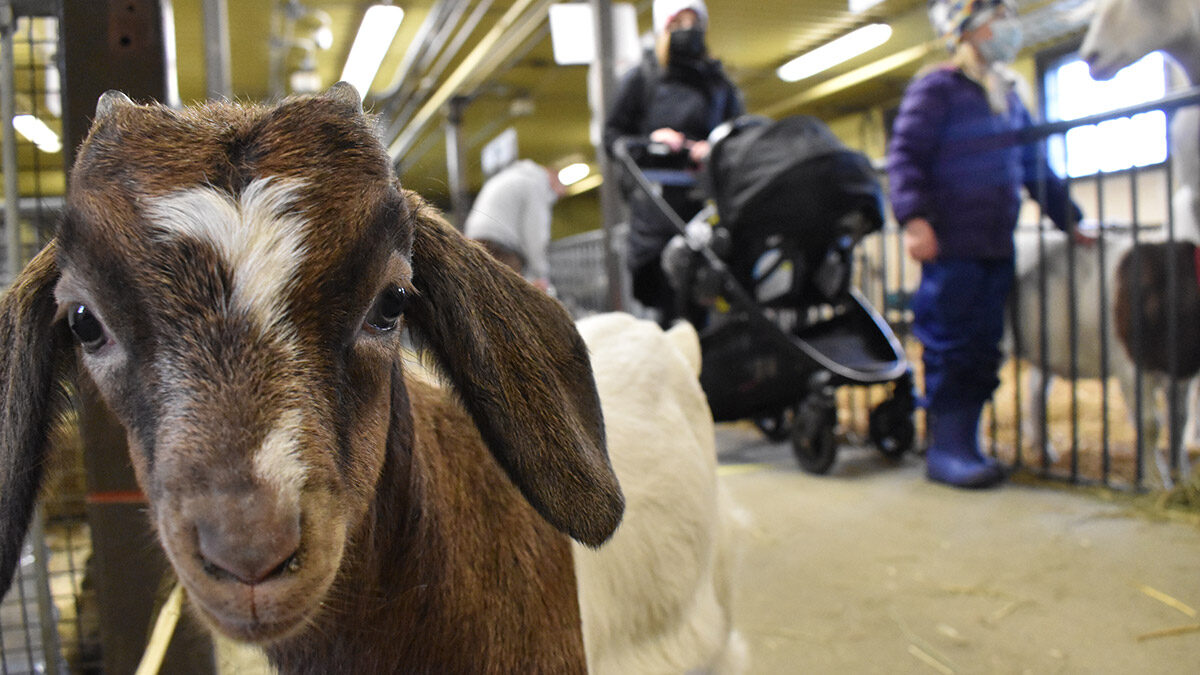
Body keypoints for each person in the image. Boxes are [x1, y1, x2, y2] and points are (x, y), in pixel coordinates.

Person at [887, 0, 1087, 488]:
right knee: (950, 342)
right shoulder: (938, 87)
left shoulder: (1006, 94)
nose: (1008, 27)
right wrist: (914, 219)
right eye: (998, 17)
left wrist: (1071, 220)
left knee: (983, 346)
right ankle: (946, 448)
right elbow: (906, 154)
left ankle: (967, 441)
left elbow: (1035, 165)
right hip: (952, 243)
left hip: (996, 244)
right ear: (970, 28)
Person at [604, 0, 743, 328]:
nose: (687, 31)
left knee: (706, 298)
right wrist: (653, 139)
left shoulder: (718, 84)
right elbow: (613, 137)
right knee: (666, 302)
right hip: (656, 209)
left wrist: (713, 147)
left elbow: (739, 133)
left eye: (693, 22)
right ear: (663, 28)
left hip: (705, 205)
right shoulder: (642, 78)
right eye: (677, 23)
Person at [463, 159, 566, 292]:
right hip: (500, 248)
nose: (553, 199)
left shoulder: (509, 176)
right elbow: (535, 235)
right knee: (510, 300)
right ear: (553, 181)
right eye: (556, 195)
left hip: (474, 240)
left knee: (481, 294)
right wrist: (541, 275)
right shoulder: (535, 185)